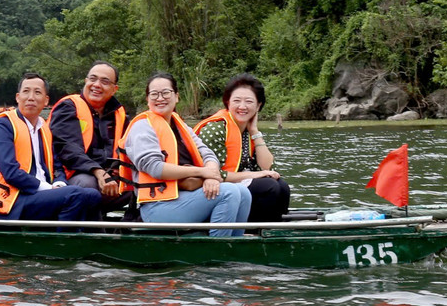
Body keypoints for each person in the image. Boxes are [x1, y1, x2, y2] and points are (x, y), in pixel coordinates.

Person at [116, 73, 251, 237]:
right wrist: (201, 172)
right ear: (147, 99)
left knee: (243, 192)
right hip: (156, 207)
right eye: (154, 94)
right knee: (228, 192)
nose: (160, 98)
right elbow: (155, 168)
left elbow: (208, 154)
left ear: (176, 96)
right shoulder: (142, 127)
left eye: (166, 93)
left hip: (184, 197)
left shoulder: (180, 126)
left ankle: (234, 245)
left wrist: (211, 176)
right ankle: (218, 252)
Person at [0, 73, 101, 222]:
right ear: (18, 97)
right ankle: (62, 242)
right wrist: (48, 188)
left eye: (37, 92)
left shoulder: (44, 128)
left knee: (93, 196)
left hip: (40, 196)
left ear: (46, 100)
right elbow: (10, 172)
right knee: (74, 195)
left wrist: (59, 183)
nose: (31, 97)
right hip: (13, 200)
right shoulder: (4, 125)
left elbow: (57, 167)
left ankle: (93, 238)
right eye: (26, 91)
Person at [194, 74, 291, 224]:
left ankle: (271, 230)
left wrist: (254, 131)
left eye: (249, 101)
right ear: (227, 102)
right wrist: (259, 174)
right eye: (237, 101)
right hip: (210, 187)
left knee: (282, 187)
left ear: (258, 106)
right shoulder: (215, 129)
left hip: (237, 182)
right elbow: (213, 173)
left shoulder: (246, 130)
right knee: (270, 187)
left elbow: (268, 167)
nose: (242, 106)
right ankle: (253, 232)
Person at [48, 61, 127, 210]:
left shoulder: (119, 115)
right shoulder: (68, 108)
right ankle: (91, 231)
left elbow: (129, 150)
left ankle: (131, 225)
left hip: (108, 176)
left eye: (105, 81)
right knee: (88, 186)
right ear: (86, 82)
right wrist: (99, 172)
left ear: (114, 89)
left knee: (143, 184)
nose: (97, 85)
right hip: (67, 177)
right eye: (93, 79)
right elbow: (67, 149)